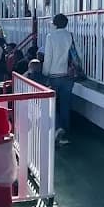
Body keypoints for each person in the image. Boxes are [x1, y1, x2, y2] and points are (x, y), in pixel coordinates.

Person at [42, 12, 75, 146]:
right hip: (68, 75)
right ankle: (65, 131)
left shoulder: (51, 36)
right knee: (65, 103)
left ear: (55, 24)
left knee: (52, 104)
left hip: (54, 75)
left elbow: (48, 56)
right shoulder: (69, 35)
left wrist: (45, 73)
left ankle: (57, 128)